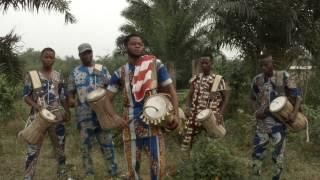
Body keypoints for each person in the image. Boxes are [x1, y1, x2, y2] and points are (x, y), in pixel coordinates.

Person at [104, 34, 179, 180]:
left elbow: (171, 91)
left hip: (154, 125)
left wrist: (175, 114)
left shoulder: (155, 65)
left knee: (157, 168)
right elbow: (107, 99)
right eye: (134, 43)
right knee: (133, 170)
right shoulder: (120, 72)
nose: (138, 46)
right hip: (130, 127)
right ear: (125, 47)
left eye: (141, 43)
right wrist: (115, 117)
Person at [67, 43, 117, 178]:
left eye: (89, 52)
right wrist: (71, 101)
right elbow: (70, 93)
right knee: (86, 148)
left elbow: (112, 87)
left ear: (92, 53)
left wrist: (107, 100)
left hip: (102, 115)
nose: (87, 55)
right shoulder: (75, 72)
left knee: (107, 145)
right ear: (80, 55)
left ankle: (113, 173)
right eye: (84, 53)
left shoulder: (102, 69)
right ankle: (89, 174)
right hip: (84, 118)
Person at [250, 52, 302, 180]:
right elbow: (252, 98)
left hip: (279, 124)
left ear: (272, 63)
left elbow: (297, 97)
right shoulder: (257, 80)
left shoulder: (284, 76)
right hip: (262, 124)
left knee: (277, 156)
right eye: (261, 66)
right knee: (257, 153)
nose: (264, 68)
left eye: (266, 65)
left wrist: (294, 114)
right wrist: (256, 111)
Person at [22, 47, 69, 180]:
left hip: (57, 118)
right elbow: (26, 96)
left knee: (60, 150)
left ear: (54, 59)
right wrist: (37, 107)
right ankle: (28, 177)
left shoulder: (58, 76)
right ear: (41, 58)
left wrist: (67, 112)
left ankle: (62, 176)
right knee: (32, 151)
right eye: (46, 57)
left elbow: (63, 96)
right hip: (38, 118)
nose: (48, 59)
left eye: (51, 57)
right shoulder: (32, 75)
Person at [181, 54, 230, 152]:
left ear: (211, 64)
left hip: (210, 117)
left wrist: (220, 113)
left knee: (212, 143)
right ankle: (190, 162)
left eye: (206, 63)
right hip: (194, 116)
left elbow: (226, 98)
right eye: (202, 63)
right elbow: (190, 95)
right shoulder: (196, 79)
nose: (203, 65)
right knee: (189, 143)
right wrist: (187, 108)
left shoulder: (217, 80)